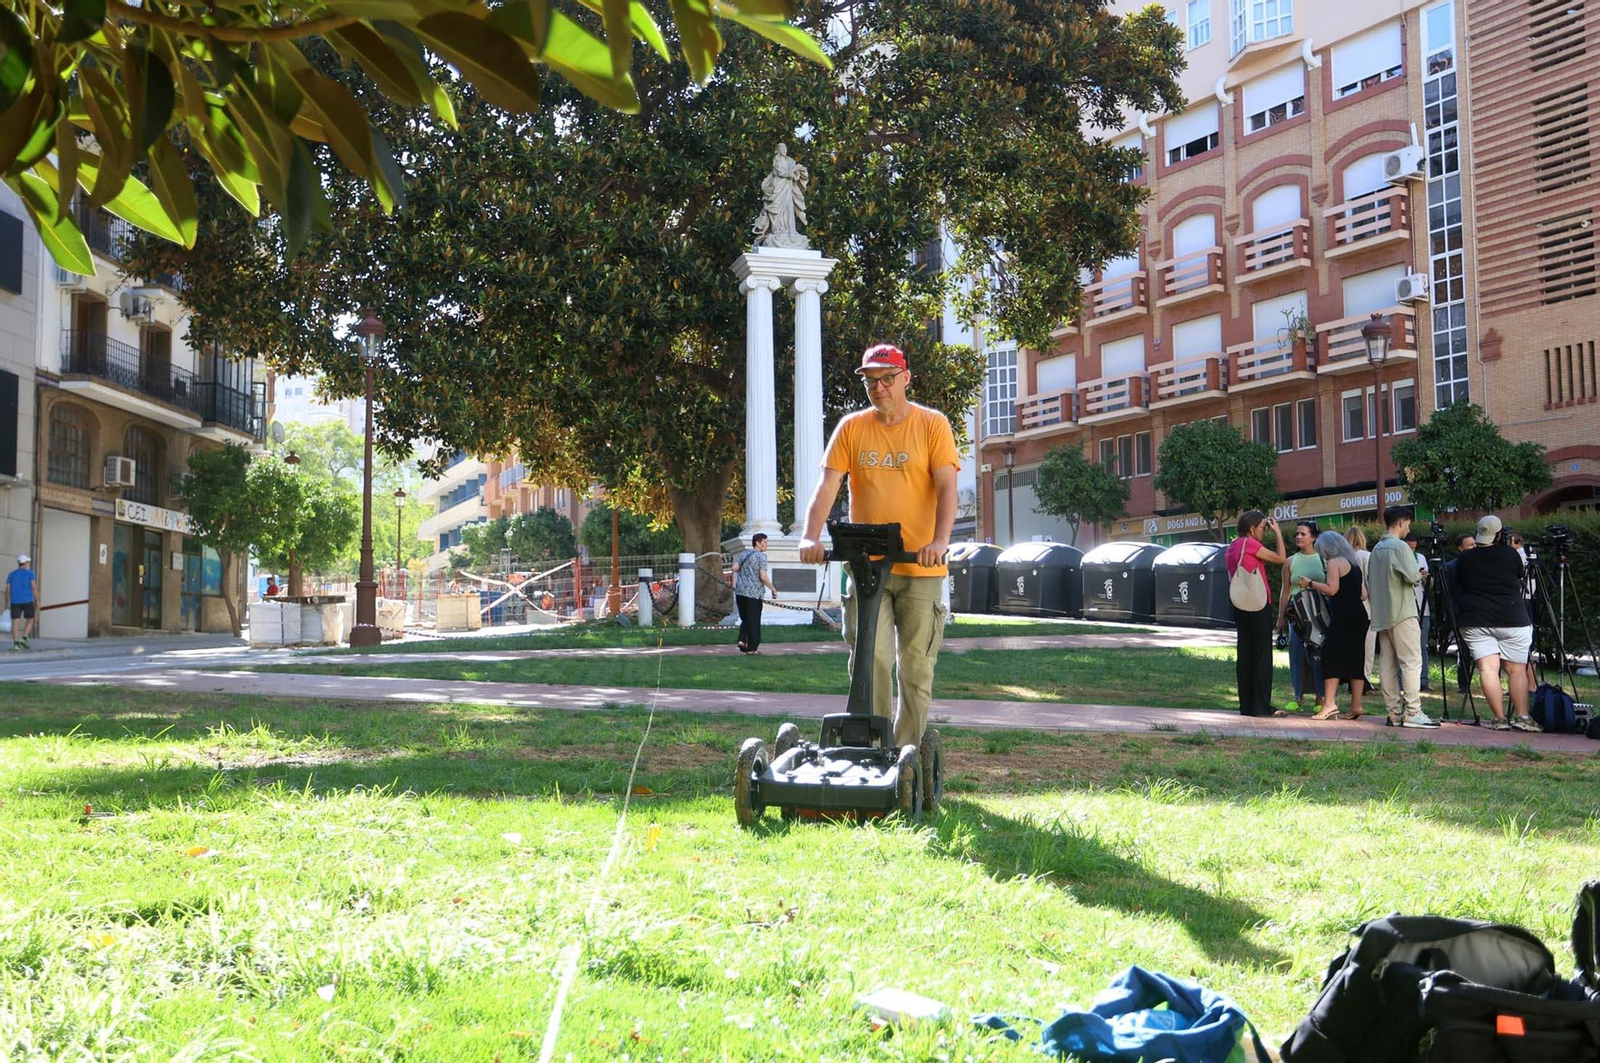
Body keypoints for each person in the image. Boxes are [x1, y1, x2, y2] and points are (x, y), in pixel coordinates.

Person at [798, 343, 959, 748]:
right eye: (871, 381)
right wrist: (810, 536)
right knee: (872, 659)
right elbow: (828, 486)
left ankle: (904, 757)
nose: (879, 387)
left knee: (916, 668)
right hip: (868, 566)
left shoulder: (932, 424)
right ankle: (872, 749)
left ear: (906, 378)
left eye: (887, 378)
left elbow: (947, 487)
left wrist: (939, 541)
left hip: (920, 567)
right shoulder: (852, 427)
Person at [1454, 515, 1543, 732]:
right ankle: (1522, 716)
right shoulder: (1510, 554)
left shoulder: (1465, 558)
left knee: (1488, 669)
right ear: (1500, 534)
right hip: (1512, 616)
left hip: (1475, 618)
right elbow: (1521, 574)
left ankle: (1499, 718)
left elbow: (1460, 582)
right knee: (1516, 670)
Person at [1368, 506, 1438, 728]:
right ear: (1400, 523)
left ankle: (1394, 713)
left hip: (1382, 613)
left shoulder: (1377, 548)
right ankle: (1413, 712)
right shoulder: (1399, 547)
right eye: (1408, 524)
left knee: (1387, 664)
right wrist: (1420, 575)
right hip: (1403, 612)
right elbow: (1413, 576)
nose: (1409, 528)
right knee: (1411, 662)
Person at [1302, 531, 1370, 720]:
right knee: (1356, 658)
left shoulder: (1334, 562)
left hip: (1343, 616)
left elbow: (1332, 590)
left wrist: (1311, 583)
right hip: (1360, 615)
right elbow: (1363, 593)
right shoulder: (1354, 563)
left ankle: (1329, 704)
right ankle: (1357, 705)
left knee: (1331, 656)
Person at [1226, 511, 1286, 717]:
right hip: (1259, 604)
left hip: (1240, 605)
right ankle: (1261, 705)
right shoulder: (1250, 544)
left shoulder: (1232, 546)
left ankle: (1247, 705)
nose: (1264, 531)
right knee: (1261, 655)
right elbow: (1281, 558)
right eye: (1262, 527)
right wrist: (1278, 532)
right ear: (1252, 529)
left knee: (1245, 655)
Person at [1276, 520, 1325, 712]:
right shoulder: (1290, 561)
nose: (1298, 537)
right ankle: (1298, 696)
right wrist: (1281, 616)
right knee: (1297, 654)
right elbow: (1285, 591)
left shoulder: (1324, 560)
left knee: (1318, 654)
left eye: (1303, 534)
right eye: (1297, 534)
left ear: (1313, 537)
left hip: (1319, 614)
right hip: (1297, 615)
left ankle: (1320, 697)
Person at [730, 533, 778, 654]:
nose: (766, 545)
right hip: (754, 593)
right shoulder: (761, 557)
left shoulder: (744, 554)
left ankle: (742, 639)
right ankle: (752, 648)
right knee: (754, 620)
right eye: (765, 542)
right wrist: (773, 588)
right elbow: (763, 576)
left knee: (745, 618)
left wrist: (746, 570)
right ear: (757, 542)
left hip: (740, 591)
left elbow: (734, 568)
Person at [1344, 526, 1377, 682]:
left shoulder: (1341, 559)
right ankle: (1365, 679)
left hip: (1347, 606)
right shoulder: (1367, 556)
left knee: (1351, 646)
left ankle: (1351, 677)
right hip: (1366, 606)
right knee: (1367, 647)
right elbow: (1371, 581)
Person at [1402, 530, 1433, 691]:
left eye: (1414, 548)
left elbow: (1428, 584)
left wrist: (1427, 578)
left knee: (1422, 646)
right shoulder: (1400, 557)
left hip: (1422, 606)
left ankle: (1424, 681)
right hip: (1406, 607)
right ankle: (1403, 682)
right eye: (1409, 547)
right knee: (1403, 647)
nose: (1411, 551)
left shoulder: (1421, 558)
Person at [6, 554, 37, 651]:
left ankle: (16, 643)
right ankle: (24, 637)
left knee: (15, 621)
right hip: (27, 600)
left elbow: (7, 590)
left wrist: (6, 602)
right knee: (31, 619)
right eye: (27, 562)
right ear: (25, 563)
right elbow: (33, 587)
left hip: (15, 601)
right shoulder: (30, 573)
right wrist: (37, 600)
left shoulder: (11, 574)